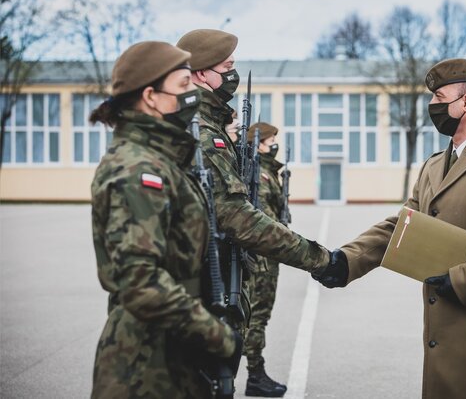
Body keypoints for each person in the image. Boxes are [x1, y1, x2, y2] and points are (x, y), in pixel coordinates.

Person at [315, 59, 466, 398]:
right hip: (445, 328)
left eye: (439, 96)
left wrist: (463, 280)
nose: (432, 106)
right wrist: (347, 260)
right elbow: (403, 226)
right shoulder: (435, 164)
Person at [90, 41, 240, 397]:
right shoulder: (138, 169)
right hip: (144, 367)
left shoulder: (161, 159)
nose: (192, 95)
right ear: (151, 97)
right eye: (183, 85)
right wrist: (219, 336)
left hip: (172, 351)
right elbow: (141, 281)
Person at [175, 28, 331, 338]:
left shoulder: (201, 124)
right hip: (196, 293)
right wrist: (320, 259)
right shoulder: (200, 131)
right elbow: (236, 216)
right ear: (202, 74)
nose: (233, 75)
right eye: (227, 68)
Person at [243, 122, 288, 397]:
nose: (274, 144)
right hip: (261, 258)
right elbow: (262, 218)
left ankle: (255, 372)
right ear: (258, 143)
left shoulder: (268, 171)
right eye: (270, 140)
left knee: (259, 317)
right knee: (256, 317)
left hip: (267, 256)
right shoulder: (258, 173)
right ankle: (254, 375)